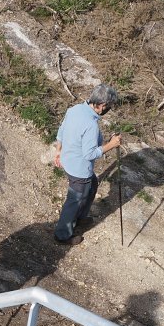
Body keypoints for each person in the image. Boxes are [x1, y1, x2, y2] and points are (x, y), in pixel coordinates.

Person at [51, 83, 123, 245]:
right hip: (79, 169)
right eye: (109, 106)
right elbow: (89, 154)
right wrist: (111, 145)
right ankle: (62, 235)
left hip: (68, 159)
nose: (109, 109)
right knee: (74, 200)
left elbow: (61, 130)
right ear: (102, 105)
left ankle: (80, 217)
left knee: (92, 185)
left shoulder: (75, 109)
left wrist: (58, 151)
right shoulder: (91, 125)